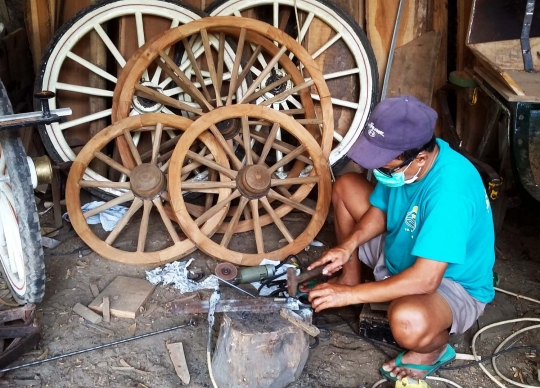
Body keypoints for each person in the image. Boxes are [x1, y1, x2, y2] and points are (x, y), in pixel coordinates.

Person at [306, 95, 495, 382]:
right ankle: (351, 277)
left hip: (449, 281)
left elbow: (425, 280)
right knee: (345, 187)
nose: (378, 172)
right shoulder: (412, 165)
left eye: (385, 167)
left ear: (419, 158)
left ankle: (434, 349)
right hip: (404, 244)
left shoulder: (450, 194)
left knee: (407, 321)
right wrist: (348, 246)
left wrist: (348, 297)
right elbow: (381, 211)